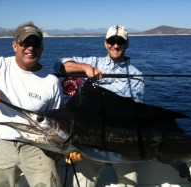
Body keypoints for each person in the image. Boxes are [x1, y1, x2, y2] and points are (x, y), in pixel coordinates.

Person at [0, 22, 63, 187]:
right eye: (25, 43)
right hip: (1, 142)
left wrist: (67, 148)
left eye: (35, 44)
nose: (30, 48)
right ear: (15, 45)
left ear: (42, 48)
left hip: (37, 146)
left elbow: (56, 123)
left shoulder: (52, 82)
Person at [54, 25, 145, 186]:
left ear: (126, 44)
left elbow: (135, 110)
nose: (115, 45)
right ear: (105, 43)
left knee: (130, 181)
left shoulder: (136, 74)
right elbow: (59, 65)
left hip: (121, 138)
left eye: (120, 41)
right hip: (90, 138)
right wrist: (84, 68)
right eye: (112, 41)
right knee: (83, 181)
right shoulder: (93, 62)